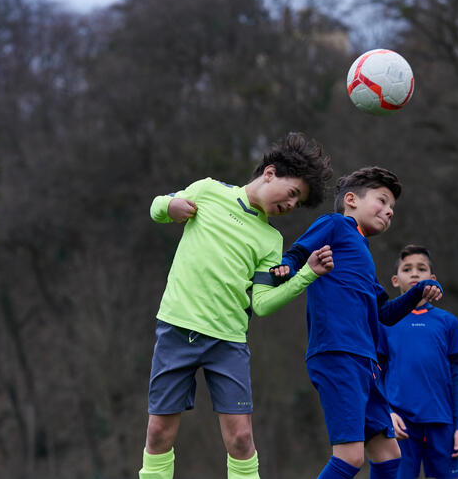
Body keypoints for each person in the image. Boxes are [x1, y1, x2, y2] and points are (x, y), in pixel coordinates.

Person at [138, 132, 334, 479]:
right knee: (158, 433)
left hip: (227, 343)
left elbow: (261, 304)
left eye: (297, 204)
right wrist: (170, 206)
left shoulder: (271, 240)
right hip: (177, 330)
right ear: (270, 173)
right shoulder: (209, 190)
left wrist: (306, 275)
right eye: (292, 193)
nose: (290, 205)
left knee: (242, 439)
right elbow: (157, 208)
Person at [272, 167, 444, 479]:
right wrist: (284, 266)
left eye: (392, 208)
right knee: (350, 458)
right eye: (383, 201)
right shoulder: (335, 224)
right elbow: (298, 251)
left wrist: (418, 291)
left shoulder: (363, 254)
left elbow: (386, 313)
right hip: (337, 352)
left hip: (366, 362)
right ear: (351, 199)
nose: (389, 211)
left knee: (389, 454)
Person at [377, 245, 458, 479]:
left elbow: (456, 377)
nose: (415, 273)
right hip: (401, 424)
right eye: (407, 269)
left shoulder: (448, 322)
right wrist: (386, 413)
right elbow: (376, 373)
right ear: (396, 280)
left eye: (421, 268)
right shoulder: (385, 323)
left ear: (433, 279)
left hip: (442, 421)